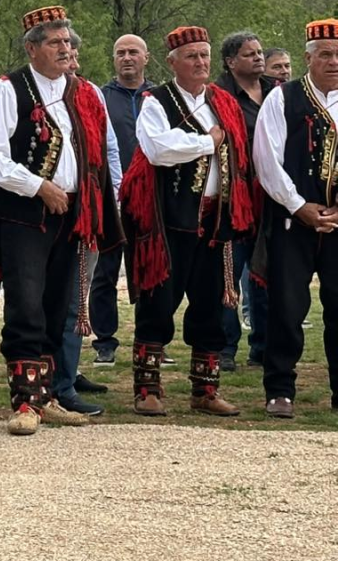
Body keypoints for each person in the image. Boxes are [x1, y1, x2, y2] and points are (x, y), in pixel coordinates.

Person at [0, 5, 119, 436]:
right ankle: (24, 401)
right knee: (27, 304)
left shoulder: (83, 91)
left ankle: (50, 395)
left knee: (59, 304)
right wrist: (38, 186)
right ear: (32, 47)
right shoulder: (9, 90)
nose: (65, 48)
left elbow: (100, 154)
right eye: (54, 41)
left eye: (67, 41)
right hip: (26, 215)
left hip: (74, 213)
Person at [120, 26, 248, 417]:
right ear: (172, 62)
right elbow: (158, 149)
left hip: (214, 220)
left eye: (205, 55)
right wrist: (206, 142)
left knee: (211, 306)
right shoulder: (155, 101)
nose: (200, 63)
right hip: (167, 220)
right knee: (158, 303)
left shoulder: (223, 102)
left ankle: (205, 391)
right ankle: (148, 389)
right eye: (192, 56)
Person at [255, 19, 338, 419]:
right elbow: (266, 160)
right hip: (293, 221)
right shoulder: (282, 98)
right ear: (308, 58)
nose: (334, 61)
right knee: (287, 307)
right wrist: (298, 205)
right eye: (325, 54)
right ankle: (280, 389)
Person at [50, 31, 122, 418]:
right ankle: (57, 380)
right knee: (62, 297)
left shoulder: (89, 93)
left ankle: (68, 372)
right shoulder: (30, 91)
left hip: (90, 208)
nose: (71, 58)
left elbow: (108, 147)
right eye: (64, 51)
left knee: (78, 297)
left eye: (74, 52)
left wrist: (114, 196)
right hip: (54, 209)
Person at [89, 34, 154, 367]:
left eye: (133, 52)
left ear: (146, 57)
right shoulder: (101, 97)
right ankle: (105, 341)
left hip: (150, 199)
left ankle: (150, 339)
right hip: (112, 199)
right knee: (105, 273)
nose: (127, 58)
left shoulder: (158, 98)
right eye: (120, 53)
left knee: (149, 272)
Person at [215, 31, 273, 371]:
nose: (258, 57)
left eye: (260, 51)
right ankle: (225, 348)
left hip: (270, 199)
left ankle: (263, 347)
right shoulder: (218, 95)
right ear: (230, 61)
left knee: (265, 274)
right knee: (227, 275)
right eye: (250, 53)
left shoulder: (278, 93)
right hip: (231, 199)